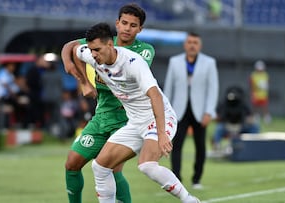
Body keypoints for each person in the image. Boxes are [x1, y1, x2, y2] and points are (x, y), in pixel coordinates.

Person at [73, 22, 200, 203]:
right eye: (91, 50)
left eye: (97, 50)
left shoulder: (133, 63)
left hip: (158, 118)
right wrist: (83, 81)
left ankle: (189, 200)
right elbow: (73, 49)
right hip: (135, 123)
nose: (93, 54)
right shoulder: (92, 55)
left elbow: (155, 96)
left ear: (110, 45)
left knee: (147, 165)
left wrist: (162, 134)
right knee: (100, 167)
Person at [61, 3, 155, 203]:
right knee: (71, 164)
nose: (127, 28)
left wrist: (99, 73)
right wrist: (80, 78)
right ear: (117, 23)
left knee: (111, 169)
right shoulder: (103, 42)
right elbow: (72, 47)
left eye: (133, 25)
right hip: (101, 117)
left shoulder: (144, 51)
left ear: (140, 29)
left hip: (126, 119)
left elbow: (128, 73)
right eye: (124, 23)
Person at [163, 32, 219, 190]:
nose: (192, 45)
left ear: (199, 45)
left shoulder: (209, 62)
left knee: (200, 146)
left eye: (195, 42)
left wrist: (209, 112)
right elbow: (168, 88)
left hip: (200, 112)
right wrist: (167, 112)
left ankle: (196, 179)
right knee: (177, 145)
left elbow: (212, 89)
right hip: (178, 111)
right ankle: (176, 179)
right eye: (189, 42)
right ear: (185, 44)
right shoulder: (174, 62)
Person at [211, 86, 260, 152]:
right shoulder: (223, 104)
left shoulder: (243, 104)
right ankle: (216, 147)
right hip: (227, 126)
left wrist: (249, 120)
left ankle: (254, 147)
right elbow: (216, 116)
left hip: (241, 126)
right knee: (219, 128)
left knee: (255, 127)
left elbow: (250, 116)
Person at [249, 60, 271, 124]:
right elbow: (251, 85)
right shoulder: (253, 75)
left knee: (264, 107)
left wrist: (264, 86)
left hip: (263, 94)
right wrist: (257, 87)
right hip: (256, 94)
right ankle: (256, 118)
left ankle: (267, 119)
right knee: (255, 108)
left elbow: (267, 83)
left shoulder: (265, 75)